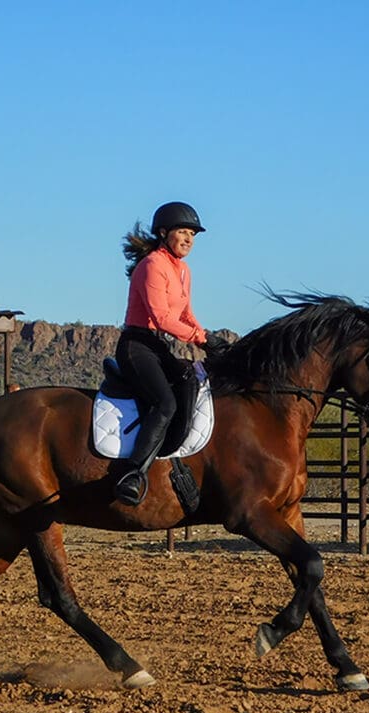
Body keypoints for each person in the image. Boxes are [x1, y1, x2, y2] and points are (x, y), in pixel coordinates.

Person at [113, 201, 225, 505]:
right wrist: (200, 337)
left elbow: (186, 314)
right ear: (164, 233)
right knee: (164, 403)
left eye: (193, 234)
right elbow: (161, 317)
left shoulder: (183, 270)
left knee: (191, 380)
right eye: (183, 232)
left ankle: (176, 462)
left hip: (158, 346)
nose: (189, 239)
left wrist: (208, 341)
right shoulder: (152, 265)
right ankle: (133, 474)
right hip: (137, 346)